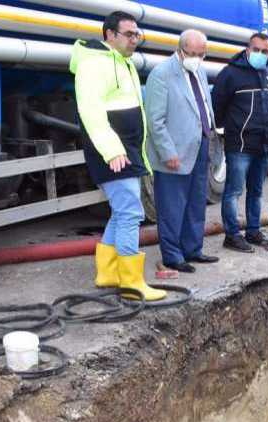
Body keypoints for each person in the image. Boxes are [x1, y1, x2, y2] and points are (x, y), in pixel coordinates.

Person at [71, 11, 165, 300]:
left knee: (122, 210)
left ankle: (108, 272)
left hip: (127, 151)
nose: (135, 40)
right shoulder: (93, 65)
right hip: (113, 153)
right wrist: (112, 150)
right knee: (130, 213)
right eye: (129, 34)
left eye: (138, 34)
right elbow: (91, 111)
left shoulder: (123, 63)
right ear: (110, 35)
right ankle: (131, 282)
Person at [144, 29, 219, 273]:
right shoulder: (162, 74)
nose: (196, 58)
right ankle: (173, 255)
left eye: (201, 54)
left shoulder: (198, 70)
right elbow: (155, 120)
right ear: (180, 49)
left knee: (196, 202)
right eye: (192, 53)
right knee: (172, 206)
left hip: (200, 146)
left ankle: (193, 249)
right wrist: (168, 153)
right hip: (174, 153)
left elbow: (203, 105)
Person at [212, 32, 268, 253]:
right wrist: (229, 130)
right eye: (256, 49)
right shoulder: (230, 74)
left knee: (256, 192)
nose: (260, 54)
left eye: (264, 51)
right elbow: (217, 106)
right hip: (239, 146)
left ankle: (253, 231)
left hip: (263, 145)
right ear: (248, 49)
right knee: (233, 192)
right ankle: (231, 235)